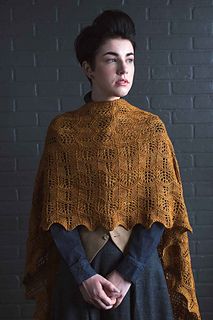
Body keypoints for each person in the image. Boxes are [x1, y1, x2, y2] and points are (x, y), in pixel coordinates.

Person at [23, 10, 201, 320]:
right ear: (88, 68)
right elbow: (53, 213)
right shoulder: (63, 130)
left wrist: (127, 273)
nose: (124, 69)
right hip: (79, 280)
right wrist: (83, 275)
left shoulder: (151, 129)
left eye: (130, 59)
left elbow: (160, 211)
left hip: (139, 278)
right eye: (111, 59)